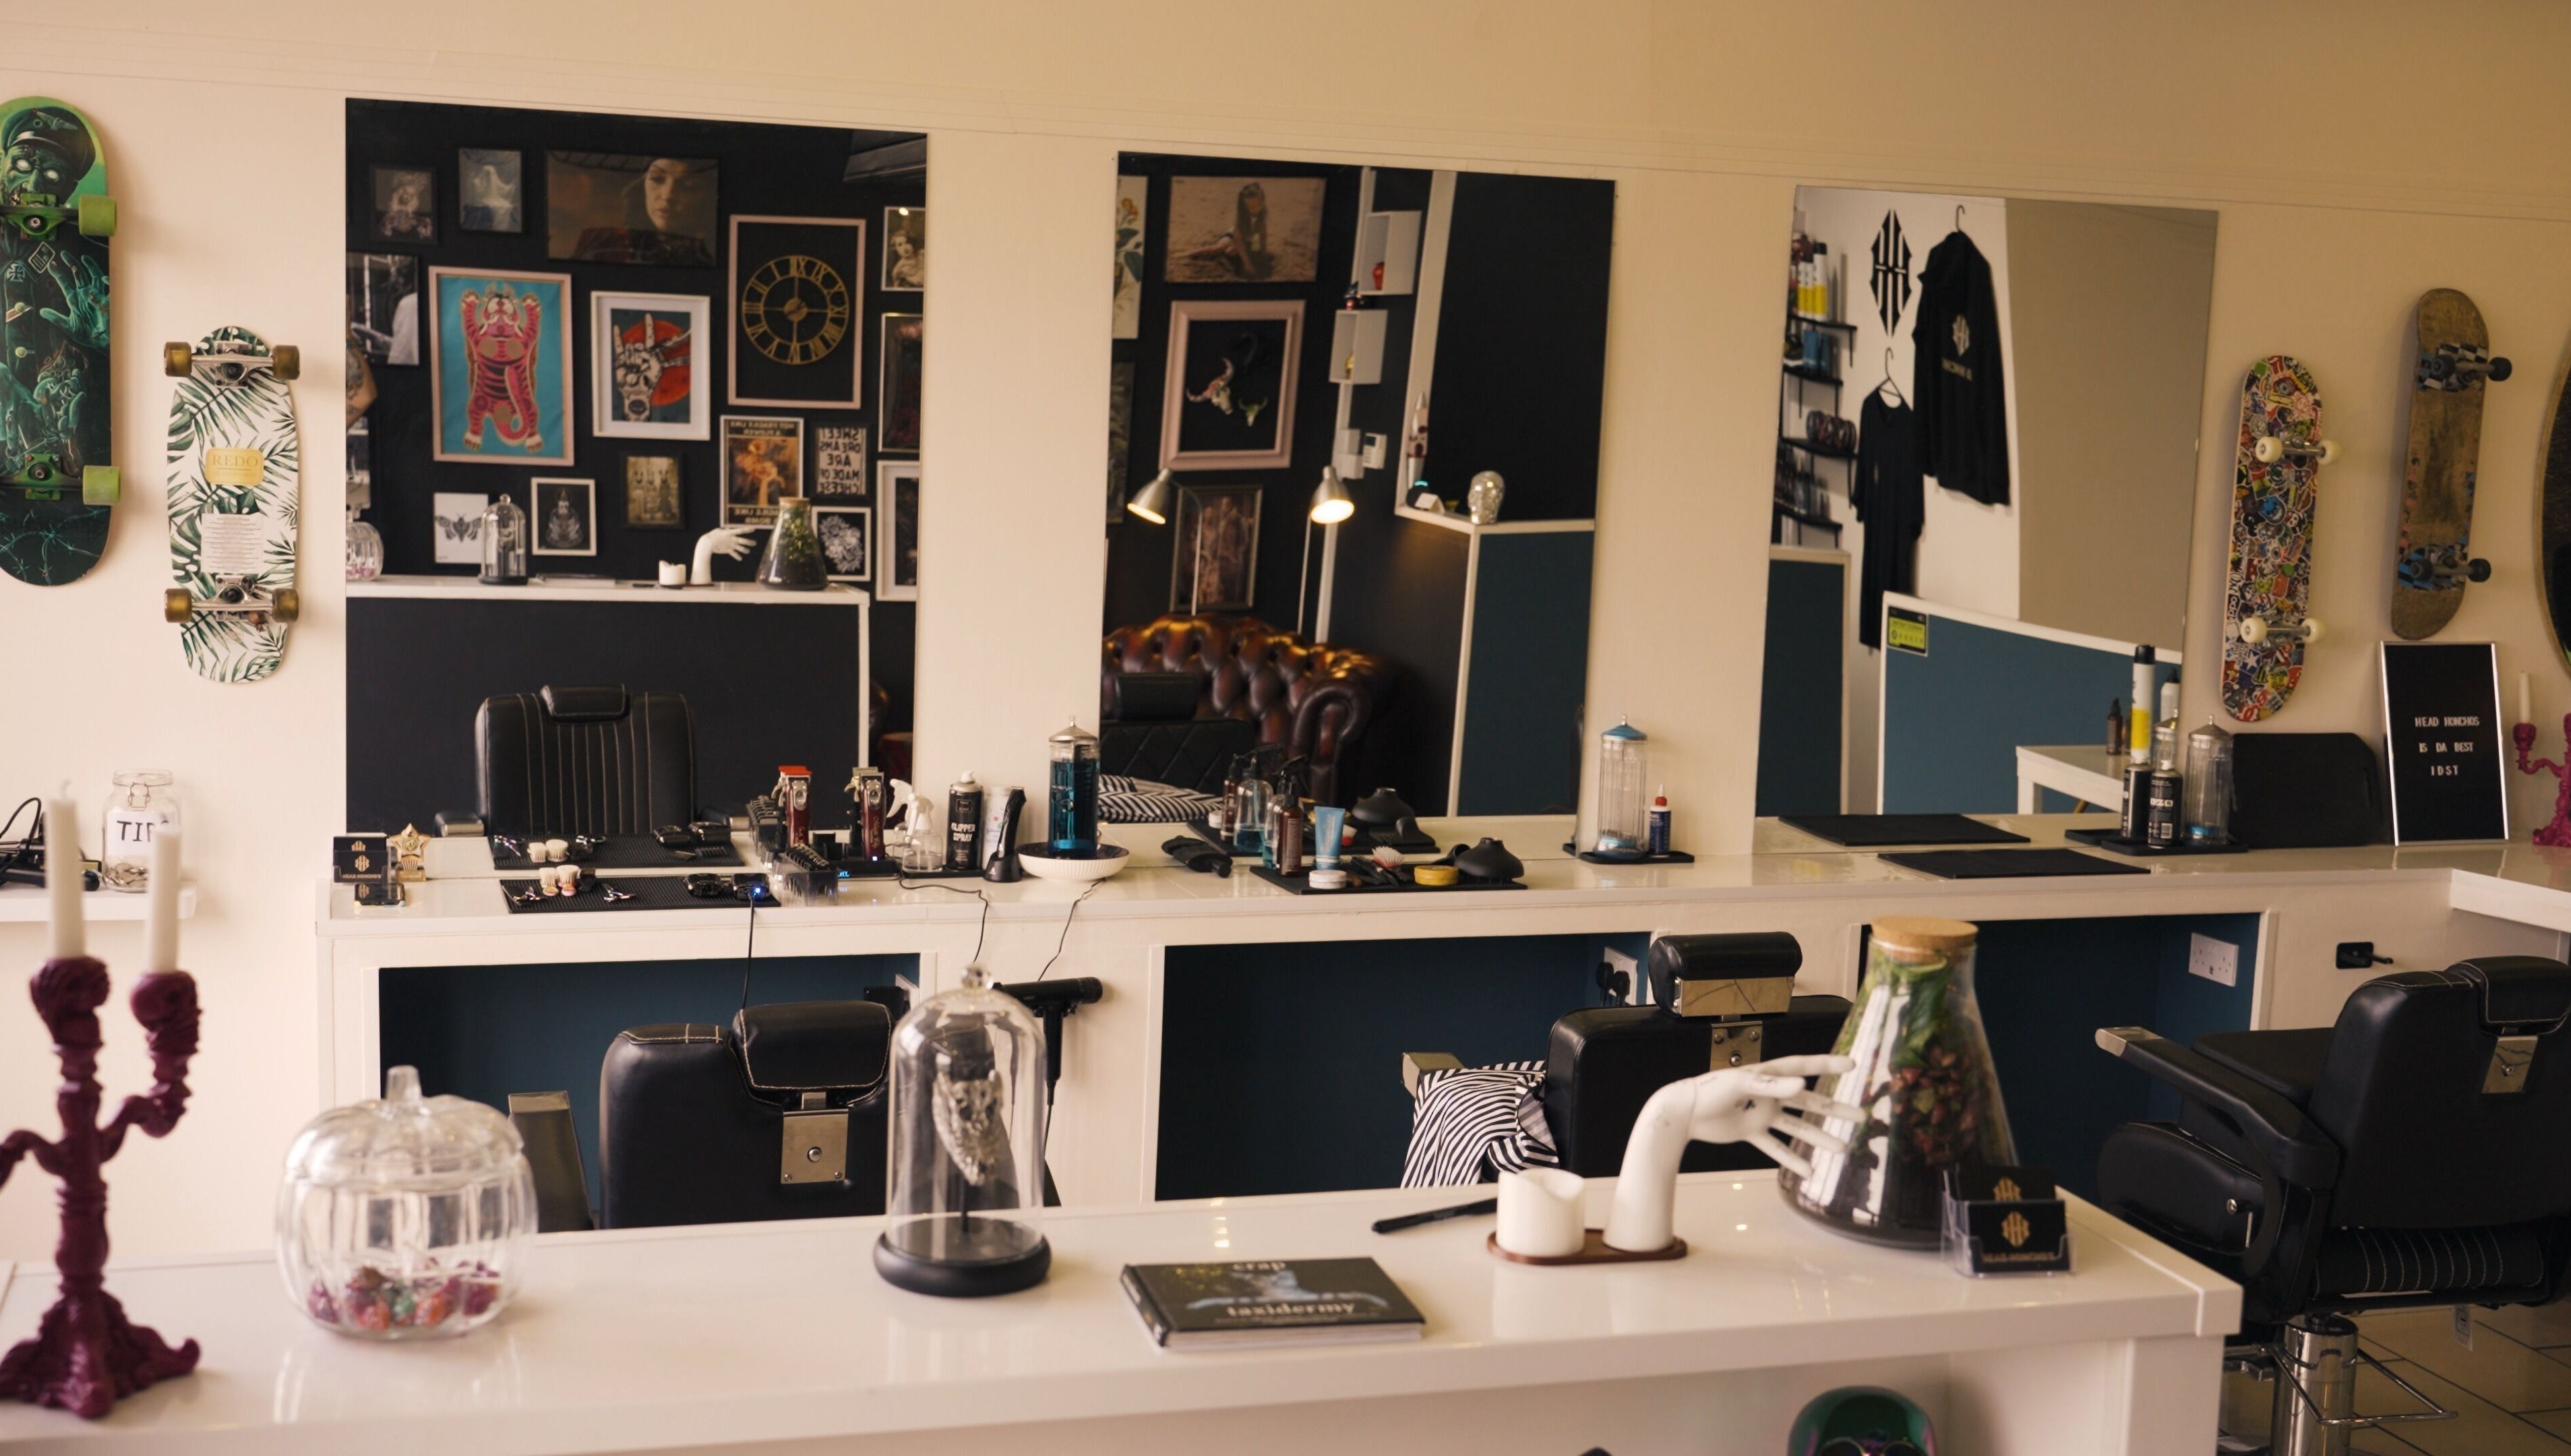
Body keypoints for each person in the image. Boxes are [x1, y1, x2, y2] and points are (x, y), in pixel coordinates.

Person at [571, 156, 714, 266]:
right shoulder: (604, 245)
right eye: (657, 179)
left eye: (688, 186)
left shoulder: (712, 256)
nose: (668, 196)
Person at [1178, 181, 1274, 280]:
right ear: (1243, 207)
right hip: (1234, 236)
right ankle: (1188, 254)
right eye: (1250, 208)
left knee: (1231, 253)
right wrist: (1247, 264)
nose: (1254, 210)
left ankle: (1231, 251)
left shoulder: (1262, 215)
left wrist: (1263, 251)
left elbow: (1263, 234)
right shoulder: (1241, 218)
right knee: (1217, 249)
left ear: (1262, 201)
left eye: (1257, 206)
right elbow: (1238, 240)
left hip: (1247, 239)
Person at [886, 220, 925, 289]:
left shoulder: (922, 255)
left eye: (907, 243)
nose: (905, 248)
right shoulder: (898, 270)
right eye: (900, 245)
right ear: (895, 248)